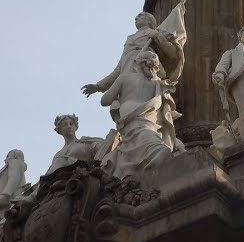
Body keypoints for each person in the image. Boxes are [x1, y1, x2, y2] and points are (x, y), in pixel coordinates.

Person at [100, 49, 182, 180]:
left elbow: (104, 101)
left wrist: (118, 96)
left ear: (136, 64)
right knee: (146, 142)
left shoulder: (124, 79)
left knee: (148, 146)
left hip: (130, 119)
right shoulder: (158, 84)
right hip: (149, 120)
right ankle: (145, 168)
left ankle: (144, 167)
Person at [43, 114, 109, 176]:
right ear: (59, 130)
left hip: (82, 177)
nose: (69, 126)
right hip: (60, 181)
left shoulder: (85, 142)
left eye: (71, 124)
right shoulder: (58, 154)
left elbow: (102, 148)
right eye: (65, 124)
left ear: (76, 127)